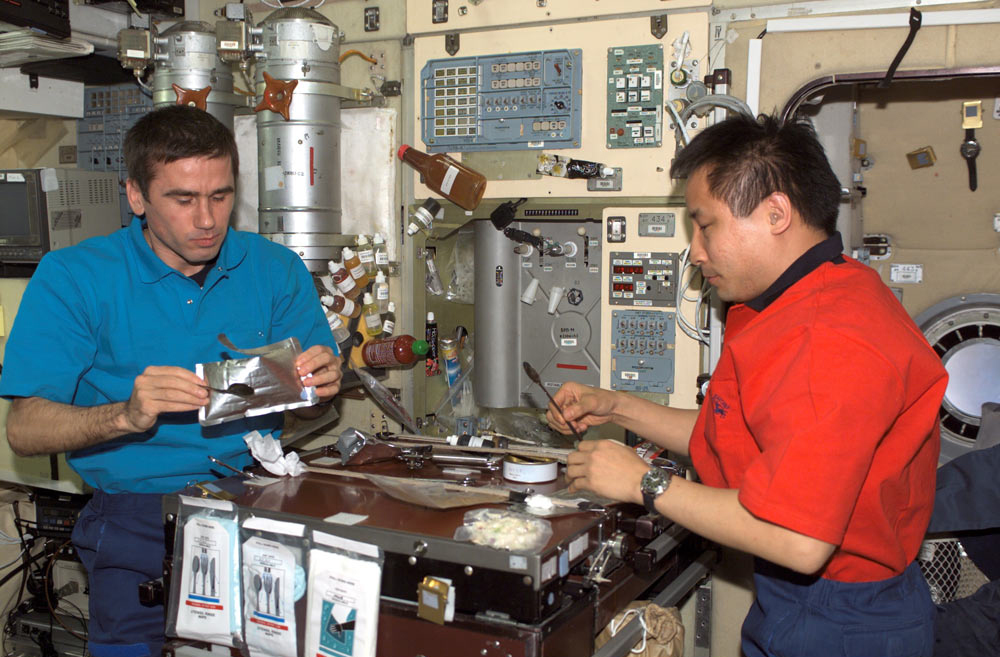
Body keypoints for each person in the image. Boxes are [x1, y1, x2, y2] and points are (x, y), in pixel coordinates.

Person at [548, 114, 947, 657]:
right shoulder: (804, 300)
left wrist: (646, 483)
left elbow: (798, 540)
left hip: (846, 622)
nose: (696, 250)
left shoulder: (830, 337)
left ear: (776, 213)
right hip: (803, 604)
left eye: (705, 225)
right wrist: (617, 407)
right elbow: (730, 439)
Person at [0, 105, 342, 657]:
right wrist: (125, 415)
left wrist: (319, 385)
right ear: (136, 196)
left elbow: (308, 407)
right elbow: (24, 429)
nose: (207, 220)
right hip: (137, 516)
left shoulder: (275, 269)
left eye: (221, 196)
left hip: (262, 500)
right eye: (183, 200)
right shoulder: (74, 278)